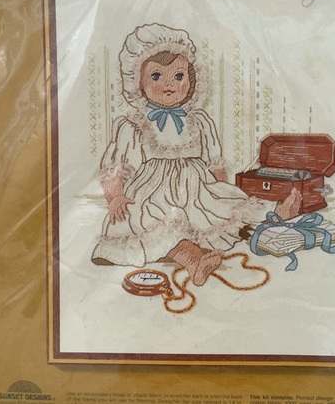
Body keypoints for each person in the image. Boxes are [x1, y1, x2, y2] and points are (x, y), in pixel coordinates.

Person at [92, 23, 301, 285]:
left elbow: (214, 162)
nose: (169, 84)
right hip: (154, 191)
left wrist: (221, 188)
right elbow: (115, 166)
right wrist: (115, 196)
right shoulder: (133, 123)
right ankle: (195, 262)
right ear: (137, 83)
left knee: (226, 206)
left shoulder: (198, 120)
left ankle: (276, 216)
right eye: (156, 76)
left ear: (192, 80)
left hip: (196, 187)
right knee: (157, 221)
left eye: (178, 76)